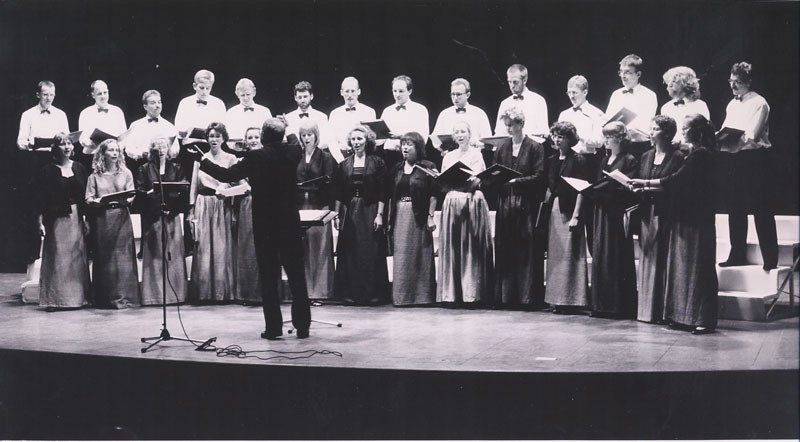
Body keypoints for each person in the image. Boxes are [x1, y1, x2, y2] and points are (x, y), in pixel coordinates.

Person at [185, 118, 312, 339]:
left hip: (266, 224)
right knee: (297, 276)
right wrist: (286, 126)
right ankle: (303, 327)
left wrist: (202, 160)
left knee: (269, 277)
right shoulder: (293, 152)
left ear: (263, 135)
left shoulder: (255, 157)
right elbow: (292, 140)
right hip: (289, 223)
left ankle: (273, 328)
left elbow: (226, 175)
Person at [630, 114, 718, 334]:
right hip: (683, 217)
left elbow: (677, 180)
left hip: (696, 220)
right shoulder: (693, 154)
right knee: (682, 268)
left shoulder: (701, 155)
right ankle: (682, 316)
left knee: (697, 268)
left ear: (697, 132)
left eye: (686, 128)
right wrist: (646, 187)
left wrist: (646, 182)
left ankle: (701, 319)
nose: (683, 132)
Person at [717, 62, 778, 271]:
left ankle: (770, 258)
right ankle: (737, 254)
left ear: (749, 82)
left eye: (738, 82)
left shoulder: (760, 102)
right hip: (736, 159)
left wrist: (733, 138)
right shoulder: (732, 104)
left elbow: (752, 135)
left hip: (756, 159)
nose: (733, 86)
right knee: (735, 208)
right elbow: (727, 129)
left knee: (761, 208)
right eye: (731, 81)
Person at [493, 108, 546, 308]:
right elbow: (495, 174)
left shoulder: (534, 147)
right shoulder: (501, 148)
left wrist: (518, 181)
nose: (508, 128)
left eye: (512, 124)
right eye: (506, 124)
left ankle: (527, 297)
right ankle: (506, 297)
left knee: (526, 250)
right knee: (506, 248)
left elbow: (540, 176)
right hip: (506, 203)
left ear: (521, 124)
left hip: (525, 204)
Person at [332, 125, 390, 305]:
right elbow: (339, 192)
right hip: (351, 211)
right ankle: (351, 294)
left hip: (370, 208)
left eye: (360, 139)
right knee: (350, 252)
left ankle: (373, 294)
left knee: (370, 252)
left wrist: (380, 215)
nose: (356, 142)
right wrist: (336, 215)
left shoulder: (377, 162)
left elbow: (383, 191)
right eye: (354, 139)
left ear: (367, 141)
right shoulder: (344, 164)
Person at [634, 115, 685, 323]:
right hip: (647, 212)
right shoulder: (646, 155)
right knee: (648, 260)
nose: (651, 132)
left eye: (654, 129)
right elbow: (641, 179)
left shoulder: (678, 156)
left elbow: (674, 185)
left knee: (663, 260)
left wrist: (645, 184)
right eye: (651, 128)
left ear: (666, 133)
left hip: (666, 213)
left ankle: (663, 311)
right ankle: (646, 311)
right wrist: (635, 186)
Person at [437, 121, 494, 306]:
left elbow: (479, 178)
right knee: (453, 246)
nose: (460, 135)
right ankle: (452, 294)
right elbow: (443, 181)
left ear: (469, 134)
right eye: (456, 132)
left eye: (463, 131)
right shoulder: (449, 156)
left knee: (470, 246)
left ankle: (472, 293)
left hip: (470, 200)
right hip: (453, 201)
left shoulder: (476, 154)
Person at [187, 122, 242, 303]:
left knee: (221, 247)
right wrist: (191, 209)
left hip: (223, 204)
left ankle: (222, 293)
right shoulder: (201, 158)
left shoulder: (231, 158)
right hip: (203, 204)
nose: (214, 139)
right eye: (211, 136)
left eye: (218, 136)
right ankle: (204, 293)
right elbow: (194, 185)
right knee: (203, 247)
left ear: (224, 138)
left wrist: (230, 201)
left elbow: (239, 184)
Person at [589, 122, 638, 318]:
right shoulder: (605, 159)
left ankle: (618, 306)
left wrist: (609, 189)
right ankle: (600, 304)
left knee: (616, 255)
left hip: (616, 212)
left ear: (619, 138)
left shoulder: (629, 160)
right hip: (602, 209)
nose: (606, 140)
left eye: (609, 137)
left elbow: (629, 187)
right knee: (601, 254)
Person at [35, 133, 90, 310]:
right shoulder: (47, 170)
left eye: (69, 143)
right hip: (57, 219)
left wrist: (86, 219)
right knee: (58, 258)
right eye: (62, 144)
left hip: (76, 218)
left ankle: (78, 299)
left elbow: (85, 196)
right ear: (55, 148)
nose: (67, 147)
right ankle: (56, 300)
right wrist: (39, 222)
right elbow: (40, 200)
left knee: (77, 258)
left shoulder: (80, 168)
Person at [85, 139, 139, 308]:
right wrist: (97, 202)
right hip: (104, 218)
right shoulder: (94, 176)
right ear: (103, 153)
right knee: (105, 257)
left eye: (117, 150)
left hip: (122, 216)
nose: (115, 153)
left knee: (123, 257)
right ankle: (105, 298)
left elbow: (132, 193)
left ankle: (125, 297)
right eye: (111, 150)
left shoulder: (126, 172)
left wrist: (128, 199)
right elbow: (88, 198)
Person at [544, 121, 591, 313]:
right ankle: (557, 299)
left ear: (569, 139)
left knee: (572, 255)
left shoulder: (578, 160)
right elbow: (549, 187)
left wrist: (577, 216)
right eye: (555, 135)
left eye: (561, 136)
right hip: (556, 209)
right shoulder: (551, 160)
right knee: (557, 256)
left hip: (571, 209)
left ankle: (572, 299)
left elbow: (582, 189)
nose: (556, 139)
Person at [136, 137, 189, 306]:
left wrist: (171, 207)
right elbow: (141, 192)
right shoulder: (144, 168)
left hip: (171, 215)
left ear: (168, 148)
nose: (161, 149)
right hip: (153, 216)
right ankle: (154, 296)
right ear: (152, 149)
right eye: (157, 146)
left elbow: (183, 187)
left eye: (164, 145)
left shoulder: (177, 167)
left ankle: (177, 295)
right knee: (155, 255)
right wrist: (155, 202)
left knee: (173, 254)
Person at [386, 131, 438, 306]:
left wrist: (430, 216)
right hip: (401, 214)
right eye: (403, 144)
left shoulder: (428, 166)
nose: (405, 148)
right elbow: (390, 195)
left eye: (409, 144)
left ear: (418, 147)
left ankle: (422, 297)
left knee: (420, 255)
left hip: (419, 215)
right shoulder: (396, 168)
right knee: (402, 256)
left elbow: (434, 194)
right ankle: (403, 297)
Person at [296, 121, 336, 300]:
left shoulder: (325, 157)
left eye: (309, 135)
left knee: (319, 249)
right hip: (299, 206)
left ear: (316, 136)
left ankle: (320, 292)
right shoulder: (296, 155)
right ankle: (304, 291)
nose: (306, 138)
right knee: (302, 249)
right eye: (303, 135)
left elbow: (329, 182)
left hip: (319, 204)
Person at [233, 127, 265, 305]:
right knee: (247, 246)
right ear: (245, 140)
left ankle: (264, 293)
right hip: (247, 204)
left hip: (266, 203)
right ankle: (248, 293)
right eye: (250, 137)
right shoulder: (242, 160)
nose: (253, 140)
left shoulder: (268, 157)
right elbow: (236, 180)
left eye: (256, 137)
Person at [605, 54, 658, 156]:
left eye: (628, 72)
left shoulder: (649, 95)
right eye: (621, 72)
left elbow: (646, 126)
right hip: (617, 146)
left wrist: (624, 131)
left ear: (638, 74)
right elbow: (609, 121)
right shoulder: (616, 94)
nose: (623, 76)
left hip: (639, 147)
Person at [379, 75, 430, 170]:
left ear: (409, 91)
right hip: (390, 156)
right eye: (394, 91)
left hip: (412, 156)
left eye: (401, 91)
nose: (397, 95)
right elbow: (379, 142)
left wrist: (401, 136)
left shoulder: (420, 109)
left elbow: (423, 138)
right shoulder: (387, 111)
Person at [431, 78, 492, 154]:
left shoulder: (479, 113)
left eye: (458, 94)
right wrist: (443, 148)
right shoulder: (444, 114)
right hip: (450, 156)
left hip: (474, 157)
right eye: (453, 94)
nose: (455, 97)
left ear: (468, 95)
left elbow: (488, 141)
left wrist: (474, 143)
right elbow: (435, 139)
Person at [77, 80, 127, 169]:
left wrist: (116, 149)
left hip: (113, 157)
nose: (103, 96)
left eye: (105, 92)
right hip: (92, 155)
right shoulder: (85, 113)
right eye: (99, 93)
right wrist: (90, 143)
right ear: (93, 95)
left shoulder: (117, 111)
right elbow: (82, 138)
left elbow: (123, 137)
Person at [494, 64, 549, 143]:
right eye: (509, 82)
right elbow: (500, 132)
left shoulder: (538, 101)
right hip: (509, 149)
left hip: (532, 149)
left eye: (515, 82)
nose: (512, 86)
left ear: (524, 80)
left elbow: (543, 132)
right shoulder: (505, 103)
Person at [327, 76, 377, 162]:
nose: (350, 95)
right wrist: (341, 161)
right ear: (341, 92)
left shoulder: (369, 112)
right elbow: (331, 141)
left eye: (353, 91)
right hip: (341, 157)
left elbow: (372, 140)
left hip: (364, 158)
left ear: (359, 91)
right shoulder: (335, 114)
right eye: (347, 91)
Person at [122, 90, 179, 164]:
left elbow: (176, 149)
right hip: (141, 164)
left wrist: (166, 154)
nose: (157, 105)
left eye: (159, 102)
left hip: (164, 164)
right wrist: (143, 154)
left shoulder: (169, 126)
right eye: (153, 103)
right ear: (145, 106)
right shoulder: (135, 125)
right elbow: (129, 149)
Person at [659, 67, 710, 145]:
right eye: (668, 81)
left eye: (674, 81)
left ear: (686, 84)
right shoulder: (666, 107)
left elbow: (704, 136)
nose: (669, 85)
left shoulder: (700, 106)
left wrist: (686, 146)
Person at [557, 75, 605, 155]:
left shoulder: (597, 113)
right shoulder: (564, 114)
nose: (571, 96)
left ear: (585, 92)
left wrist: (577, 135)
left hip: (587, 159)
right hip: (566, 159)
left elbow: (599, 142)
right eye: (569, 92)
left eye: (575, 92)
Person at [17, 81, 69, 150]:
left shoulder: (61, 115)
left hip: (57, 157)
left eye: (51, 95)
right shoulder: (27, 115)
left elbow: (67, 139)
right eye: (45, 95)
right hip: (35, 156)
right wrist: (31, 145)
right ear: (38, 95)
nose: (49, 98)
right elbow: (21, 141)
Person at [174, 69, 227, 134]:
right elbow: (178, 128)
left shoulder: (218, 104)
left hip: (211, 143)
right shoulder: (185, 103)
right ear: (194, 86)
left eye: (208, 88)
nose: (204, 92)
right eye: (201, 88)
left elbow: (223, 129)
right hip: (189, 142)